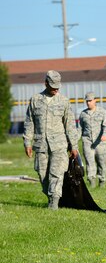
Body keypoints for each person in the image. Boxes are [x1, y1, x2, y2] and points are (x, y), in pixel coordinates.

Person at [23, 70, 79, 210]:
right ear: (46, 83)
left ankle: (54, 201)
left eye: (58, 87)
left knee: (57, 172)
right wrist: (27, 142)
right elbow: (29, 122)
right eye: (53, 86)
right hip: (40, 144)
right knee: (42, 173)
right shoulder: (35, 100)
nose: (56, 89)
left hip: (59, 144)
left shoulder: (64, 101)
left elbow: (70, 125)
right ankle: (50, 196)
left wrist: (74, 145)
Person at [78, 92, 106, 188]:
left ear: (95, 100)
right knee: (89, 163)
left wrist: (105, 135)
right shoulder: (83, 114)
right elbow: (80, 129)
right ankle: (92, 182)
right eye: (87, 101)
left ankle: (102, 182)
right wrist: (74, 140)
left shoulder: (102, 112)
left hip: (100, 143)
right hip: (87, 142)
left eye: (90, 101)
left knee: (101, 163)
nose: (88, 103)